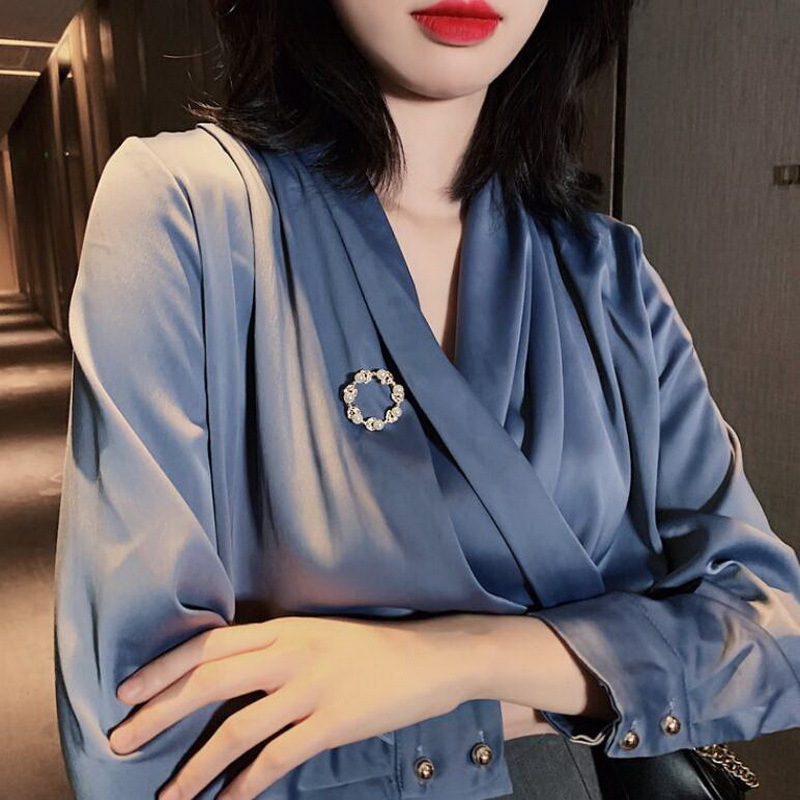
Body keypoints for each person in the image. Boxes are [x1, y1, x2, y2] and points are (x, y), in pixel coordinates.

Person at [53, 1, 800, 799]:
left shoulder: (604, 270)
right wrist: (607, 672)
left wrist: (451, 661)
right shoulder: (187, 211)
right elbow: (138, 736)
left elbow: (772, 633)